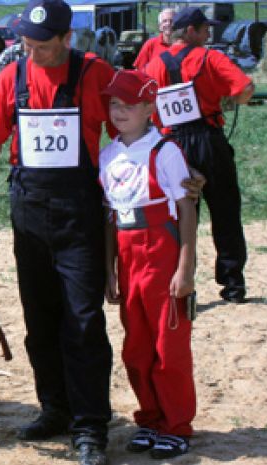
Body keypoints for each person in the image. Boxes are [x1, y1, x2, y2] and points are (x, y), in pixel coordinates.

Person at [0, 1, 116, 464]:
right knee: (39, 317)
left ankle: (90, 427)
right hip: (27, 207)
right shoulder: (11, 77)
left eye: (41, 46)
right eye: (26, 42)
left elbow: (129, 123)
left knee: (83, 320)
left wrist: (160, 167)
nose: (32, 51)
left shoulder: (95, 73)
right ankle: (55, 409)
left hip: (79, 208)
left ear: (67, 39)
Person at [99, 69, 197, 461]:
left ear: (149, 107)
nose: (120, 111)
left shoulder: (165, 151)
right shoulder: (108, 154)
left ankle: (176, 425)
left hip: (161, 247)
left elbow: (187, 209)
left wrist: (186, 267)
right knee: (136, 346)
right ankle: (150, 418)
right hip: (126, 252)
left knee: (167, 343)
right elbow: (109, 214)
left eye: (130, 104)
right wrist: (109, 267)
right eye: (114, 103)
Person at [143, 7, 255, 303]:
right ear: (190, 31)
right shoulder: (210, 57)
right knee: (225, 211)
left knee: (180, 216)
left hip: (172, 145)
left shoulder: (154, 66)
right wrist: (226, 98)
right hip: (208, 139)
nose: (209, 34)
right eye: (205, 29)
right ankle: (233, 284)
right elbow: (245, 88)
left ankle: (180, 281)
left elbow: (143, 105)